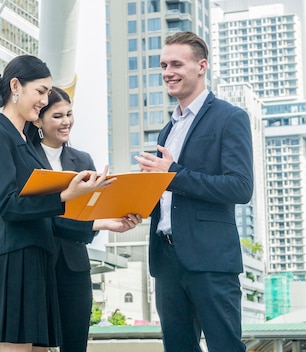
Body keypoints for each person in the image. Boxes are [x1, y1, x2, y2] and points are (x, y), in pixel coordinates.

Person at [0, 55, 115, 352]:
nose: (43, 100)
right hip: (15, 258)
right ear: (16, 86)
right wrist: (64, 196)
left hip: (37, 258)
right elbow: (7, 205)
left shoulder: (22, 142)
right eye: (40, 91)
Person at [134, 31, 253, 352]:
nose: (167, 72)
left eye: (176, 64)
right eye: (163, 65)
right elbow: (168, 192)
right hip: (167, 260)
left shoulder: (230, 118)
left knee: (225, 347)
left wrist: (172, 174)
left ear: (202, 66)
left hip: (210, 260)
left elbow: (240, 187)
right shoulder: (168, 128)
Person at [26, 86, 142, 352]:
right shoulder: (25, 157)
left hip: (74, 267)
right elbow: (41, 217)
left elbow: (84, 218)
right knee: (35, 345)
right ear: (39, 120)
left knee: (75, 345)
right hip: (37, 265)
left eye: (69, 114)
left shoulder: (81, 159)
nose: (66, 121)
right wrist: (101, 223)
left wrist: (106, 221)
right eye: (57, 116)